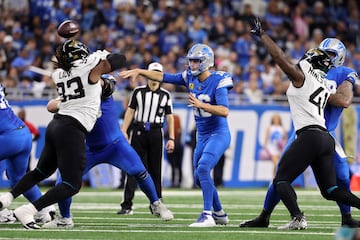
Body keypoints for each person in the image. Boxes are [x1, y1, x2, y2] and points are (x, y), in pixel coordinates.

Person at [242, 17, 360, 230]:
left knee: (284, 178)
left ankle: (301, 217)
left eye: (331, 54)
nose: (327, 58)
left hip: (313, 133)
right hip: (320, 135)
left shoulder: (314, 75)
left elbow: (280, 58)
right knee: (329, 188)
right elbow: (328, 93)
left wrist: (263, 35)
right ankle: (265, 215)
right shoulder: (322, 81)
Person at [0, 39, 126, 229]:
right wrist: (101, 54)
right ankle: (30, 209)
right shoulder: (89, 71)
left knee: (40, 172)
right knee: (71, 184)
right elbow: (119, 59)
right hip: (72, 129)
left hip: (56, 125)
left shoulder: (58, 73)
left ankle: (7, 198)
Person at [119, 43, 233, 227]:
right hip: (202, 136)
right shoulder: (189, 77)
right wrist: (140, 71)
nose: (192, 65)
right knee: (198, 177)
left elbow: (224, 111)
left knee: (203, 168)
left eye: (196, 61)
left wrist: (201, 105)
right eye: (191, 61)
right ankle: (219, 212)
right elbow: (163, 76)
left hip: (218, 133)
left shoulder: (219, 80)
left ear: (207, 62)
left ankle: (207, 215)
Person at [42, 74, 173, 228]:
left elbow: (109, 85)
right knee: (63, 181)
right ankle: (65, 218)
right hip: (90, 149)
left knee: (140, 171)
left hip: (115, 145)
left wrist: (90, 86)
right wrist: (69, 102)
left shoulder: (101, 89)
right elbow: (50, 106)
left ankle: (156, 203)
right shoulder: (76, 96)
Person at [118, 62, 175, 215]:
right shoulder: (138, 92)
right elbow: (130, 112)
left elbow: (170, 118)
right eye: (153, 72)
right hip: (139, 131)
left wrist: (172, 138)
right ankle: (126, 205)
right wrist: (124, 130)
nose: (155, 76)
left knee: (156, 170)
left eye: (158, 73)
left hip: (156, 132)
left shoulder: (165, 95)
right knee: (133, 167)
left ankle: (157, 204)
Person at [0, 84, 55, 224]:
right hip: (23, 134)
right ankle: (45, 209)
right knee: (18, 179)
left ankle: (3, 213)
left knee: (18, 178)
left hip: (9, 136)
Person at [166, 113, 183, 188]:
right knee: (179, 165)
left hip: (172, 146)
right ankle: (179, 181)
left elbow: (165, 135)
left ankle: (173, 182)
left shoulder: (168, 130)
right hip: (179, 146)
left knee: (173, 165)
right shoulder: (179, 130)